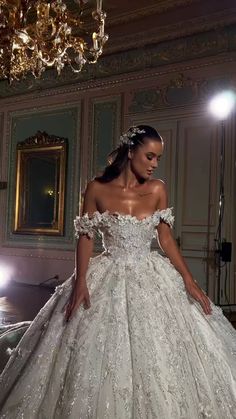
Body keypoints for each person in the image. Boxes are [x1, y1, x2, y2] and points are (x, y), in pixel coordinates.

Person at [0, 125, 236, 418]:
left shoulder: (157, 189)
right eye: (150, 156)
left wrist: (189, 280)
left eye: (158, 159)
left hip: (150, 275)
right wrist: (81, 281)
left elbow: (165, 239)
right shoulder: (96, 189)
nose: (154, 164)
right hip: (107, 271)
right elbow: (86, 236)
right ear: (131, 151)